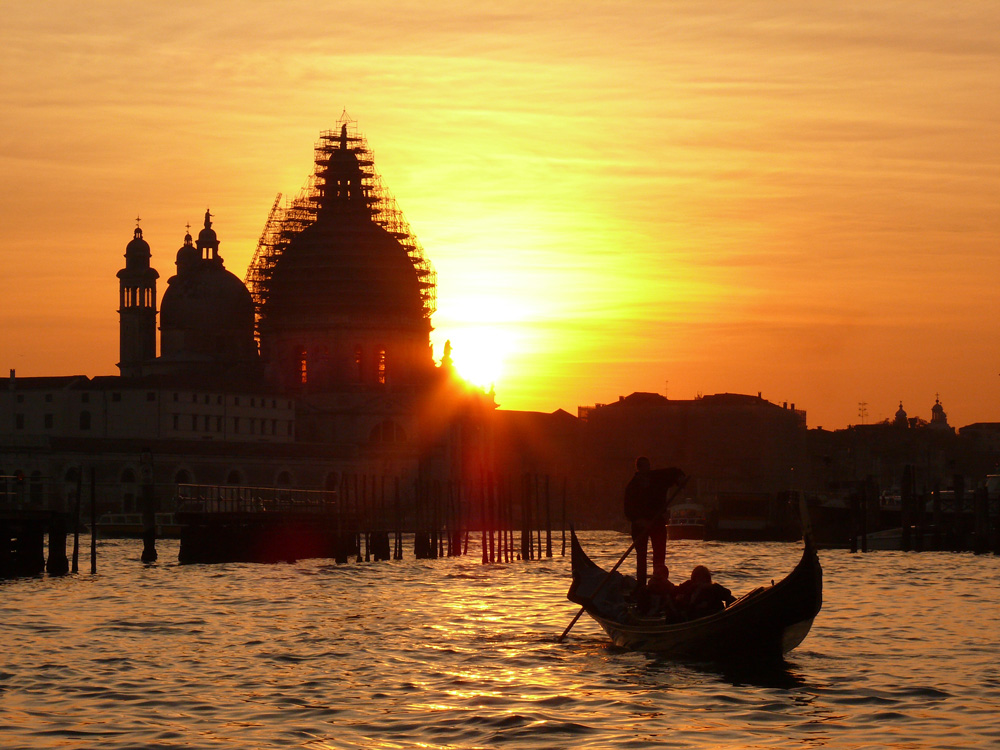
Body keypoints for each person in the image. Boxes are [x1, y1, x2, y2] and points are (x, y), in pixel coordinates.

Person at [623, 457, 685, 588]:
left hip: (656, 521)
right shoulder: (632, 486)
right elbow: (628, 510)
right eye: (643, 468)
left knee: (659, 556)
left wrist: (680, 479)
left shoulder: (658, 477)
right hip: (640, 525)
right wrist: (639, 520)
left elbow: (676, 472)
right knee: (641, 557)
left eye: (647, 467)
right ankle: (641, 586)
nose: (646, 471)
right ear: (638, 469)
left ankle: (659, 583)